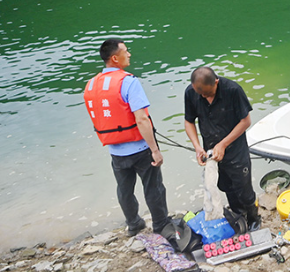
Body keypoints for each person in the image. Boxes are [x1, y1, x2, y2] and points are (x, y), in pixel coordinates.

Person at [83, 38, 170, 236]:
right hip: (139, 148)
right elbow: (141, 119)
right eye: (126, 51)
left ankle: (134, 224)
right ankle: (161, 224)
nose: (129, 54)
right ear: (115, 58)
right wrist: (155, 150)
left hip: (115, 150)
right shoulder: (128, 82)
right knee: (153, 187)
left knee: (124, 190)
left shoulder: (91, 85)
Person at [184, 66, 261, 231]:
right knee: (225, 186)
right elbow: (189, 121)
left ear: (216, 82)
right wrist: (198, 147)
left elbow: (246, 121)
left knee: (243, 187)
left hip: (235, 148)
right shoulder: (191, 93)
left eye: (208, 93)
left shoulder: (233, 90)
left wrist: (223, 144)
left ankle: (254, 216)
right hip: (211, 151)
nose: (205, 97)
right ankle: (239, 215)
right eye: (201, 95)